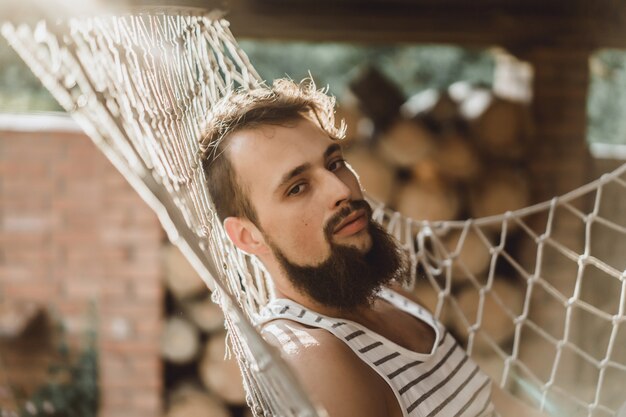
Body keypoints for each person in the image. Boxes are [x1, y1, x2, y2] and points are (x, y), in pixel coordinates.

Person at [199, 79, 545, 417]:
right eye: (297, 188)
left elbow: (503, 406)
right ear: (247, 237)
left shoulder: (392, 297)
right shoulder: (315, 357)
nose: (341, 190)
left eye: (334, 163)